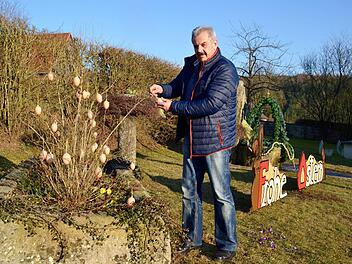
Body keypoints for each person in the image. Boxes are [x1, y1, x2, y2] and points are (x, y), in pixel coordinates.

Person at [149, 26, 239, 261]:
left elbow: (209, 104)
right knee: (189, 192)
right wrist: (163, 89)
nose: (199, 50)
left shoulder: (226, 70)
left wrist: (173, 107)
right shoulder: (191, 65)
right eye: (195, 46)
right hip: (191, 138)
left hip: (215, 142)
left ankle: (227, 244)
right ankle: (191, 237)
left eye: (203, 45)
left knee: (221, 195)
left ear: (215, 42)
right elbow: (177, 86)